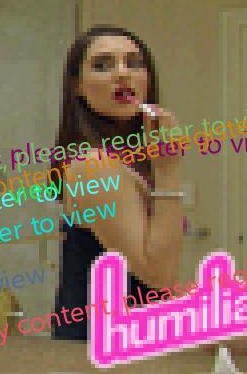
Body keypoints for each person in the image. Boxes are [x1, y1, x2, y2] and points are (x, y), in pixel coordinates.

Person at [50, 25, 185, 341]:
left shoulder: (129, 162)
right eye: (102, 65)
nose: (123, 74)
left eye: (134, 63)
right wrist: (168, 172)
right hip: (99, 349)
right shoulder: (94, 166)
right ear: (77, 87)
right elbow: (157, 276)